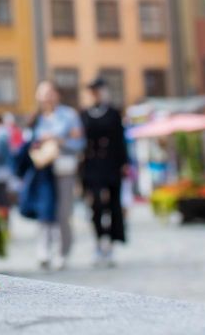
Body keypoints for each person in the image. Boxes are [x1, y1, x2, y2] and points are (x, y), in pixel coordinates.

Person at [30, 80, 85, 271]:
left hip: (63, 168)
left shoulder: (68, 115)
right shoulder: (36, 117)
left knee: (63, 212)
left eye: (49, 92)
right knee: (45, 211)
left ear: (57, 94)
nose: (46, 96)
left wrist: (59, 140)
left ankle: (62, 252)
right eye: (42, 92)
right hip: (42, 169)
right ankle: (44, 250)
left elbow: (79, 143)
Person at [80, 77, 129, 267]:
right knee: (96, 205)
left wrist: (124, 164)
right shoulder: (84, 114)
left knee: (113, 205)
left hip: (111, 164)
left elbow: (120, 140)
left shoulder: (113, 113)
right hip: (92, 165)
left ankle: (111, 242)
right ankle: (99, 241)